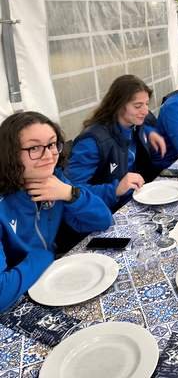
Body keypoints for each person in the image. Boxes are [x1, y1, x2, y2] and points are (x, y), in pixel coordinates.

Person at [0, 111, 112, 312]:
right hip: (17, 299)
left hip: (49, 280)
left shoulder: (55, 180)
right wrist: (44, 257)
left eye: (52, 144)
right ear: (10, 154)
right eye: (34, 148)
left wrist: (70, 194)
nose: (49, 155)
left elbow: (103, 220)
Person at [67, 75, 166, 210]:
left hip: (136, 198)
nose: (145, 111)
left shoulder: (133, 124)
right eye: (138, 106)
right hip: (108, 211)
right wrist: (115, 189)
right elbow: (71, 191)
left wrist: (149, 132)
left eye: (147, 104)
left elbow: (145, 123)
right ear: (119, 105)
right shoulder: (92, 142)